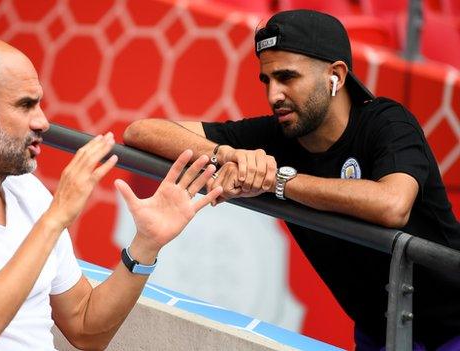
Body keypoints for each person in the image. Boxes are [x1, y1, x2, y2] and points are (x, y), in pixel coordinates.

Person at [123, 9, 460, 351]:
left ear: (336, 76)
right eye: (267, 80)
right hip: (380, 333)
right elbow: (140, 132)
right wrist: (226, 154)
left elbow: (392, 205)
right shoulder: (276, 135)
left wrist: (277, 182)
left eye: (287, 77)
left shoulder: (387, 122)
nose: (273, 95)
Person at [0, 36, 222, 350]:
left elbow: (85, 328)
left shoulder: (27, 192)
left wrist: (146, 245)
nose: (43, 122)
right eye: (26, 105)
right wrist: (55, 218)